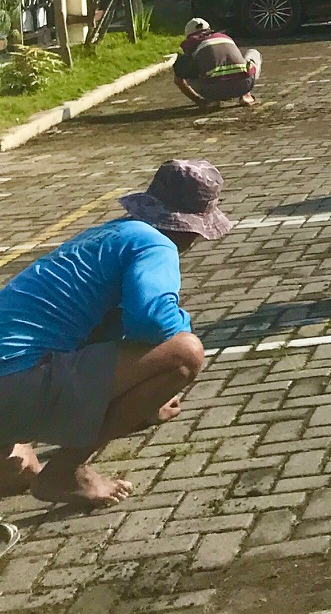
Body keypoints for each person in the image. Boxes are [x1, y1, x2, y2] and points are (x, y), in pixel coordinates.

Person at [0, 160, 225, 508]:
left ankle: (9, 454)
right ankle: (65, 470)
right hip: (15, 382)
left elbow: (101, 332)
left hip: (12, 378)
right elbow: (153, 322)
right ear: (191, 228)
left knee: (19, 464)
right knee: (184, 353)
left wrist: (142, 391)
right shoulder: (155, 244)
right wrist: (152, 389)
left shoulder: (106, 234)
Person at [171, 19, 260, 110]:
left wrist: (199, 101)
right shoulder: (224, 37)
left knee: (187, 72)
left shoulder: (190, 45)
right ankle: (246, 95)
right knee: (252, 53)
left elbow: (178, 80)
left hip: (213, 91)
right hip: (243, 85)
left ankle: (211, 101)